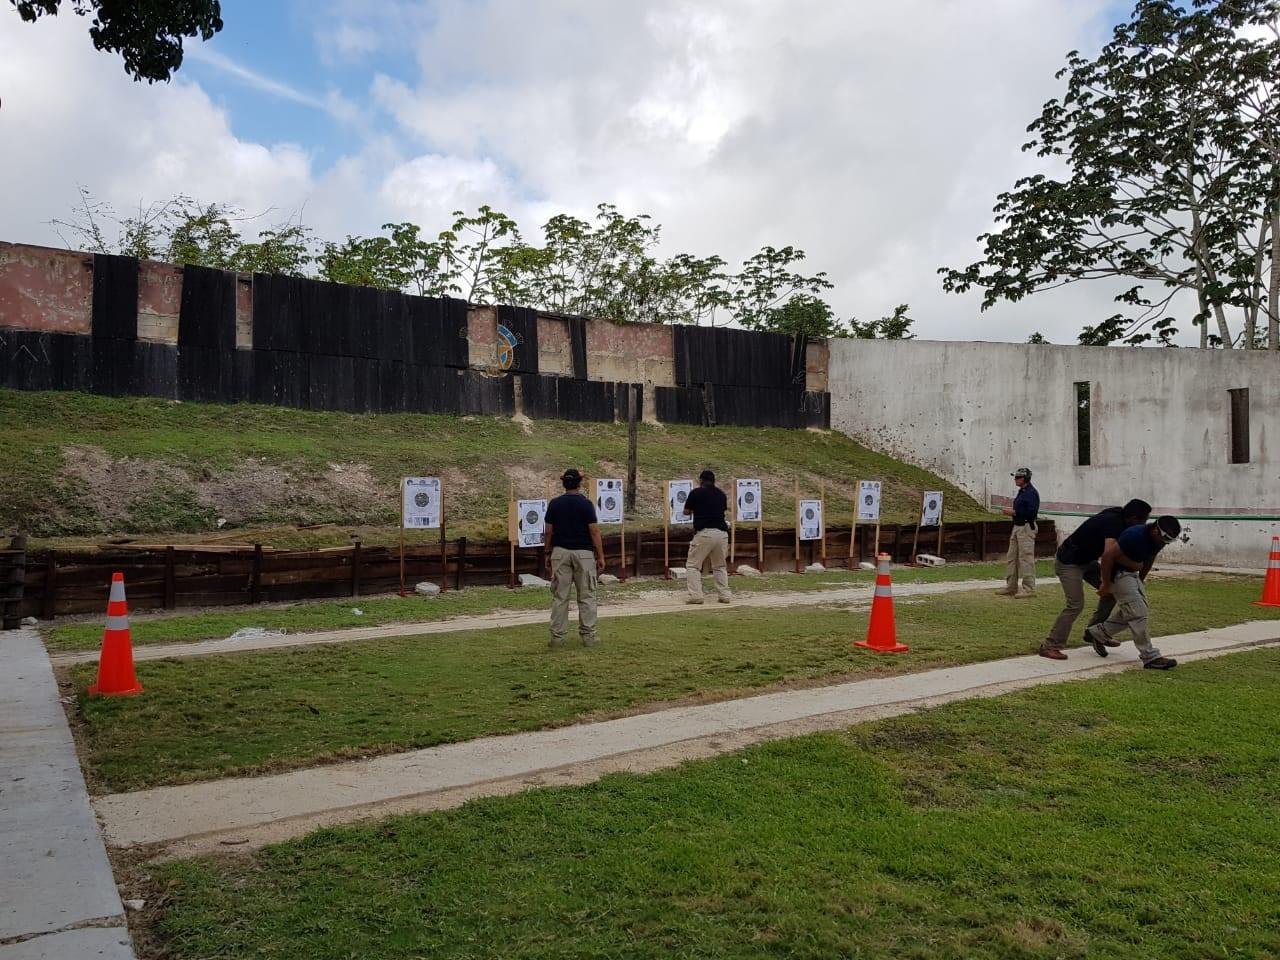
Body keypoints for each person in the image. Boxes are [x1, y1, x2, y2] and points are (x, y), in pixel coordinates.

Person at [1038, 499, 1152, 660]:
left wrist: (1109, 584)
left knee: (1111, 593)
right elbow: (1110, 554)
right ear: (1133, 518)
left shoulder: (1121, 517)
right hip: (1068, 563)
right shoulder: (1113, 523)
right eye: (1143, 520)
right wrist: (1136, 565)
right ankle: (1050, 645)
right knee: (1075, 604)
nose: (1144, 525)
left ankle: (1094, 633)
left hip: (1087, 561)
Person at [1085, 515, 1182, 670]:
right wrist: (1105, 583)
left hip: (1131, 574)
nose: (1165, 543)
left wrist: (1140, 579)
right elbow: (1107, 556)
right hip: (1117, 573)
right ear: (1156, 531)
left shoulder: (1159, 540)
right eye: (1166, 539)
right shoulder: (1134, 535)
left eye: (1170, 541)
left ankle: (1098, 633)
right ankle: (1150, 657)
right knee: (1138, 613)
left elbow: (1149, 559)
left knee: (1136, 609)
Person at [544, 468, 606, 648]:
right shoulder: (586, 504)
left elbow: (548, 532)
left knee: (560, 596)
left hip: (560, 552)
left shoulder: (554, 504)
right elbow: (594, 532)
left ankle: (557, 638)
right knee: (586, 595)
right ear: (580, 483)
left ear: (564, 483)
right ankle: (589, 636)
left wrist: (547, 552)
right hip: (584, 554)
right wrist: (600, 555)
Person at [682, 469, 732, 605]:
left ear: (701, 480)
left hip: (704, 533)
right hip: (722, 534)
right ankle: (724, 595)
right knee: (720, 566)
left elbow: (686, 511)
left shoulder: (696, 493)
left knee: (693, 566)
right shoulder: (721, 495)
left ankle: (696, 596)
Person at [996, 466, 1040, 598]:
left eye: (1018, 477)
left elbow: (1032, 512)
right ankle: (1011, 586)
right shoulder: (1022, 491)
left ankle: (1029, 588)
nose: (1015, 479)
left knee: (1026, 558)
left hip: (1026, 526)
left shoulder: (1031, 493)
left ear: (1025, 478)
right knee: (1012, 557)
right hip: (1017, 526)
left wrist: (1014, 512)